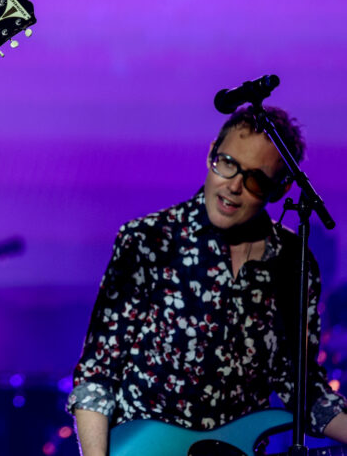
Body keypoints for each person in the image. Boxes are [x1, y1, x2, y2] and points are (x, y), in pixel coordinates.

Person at [68, 105, 347, 455]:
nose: (233, 186)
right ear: (211, 152)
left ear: (281, 188)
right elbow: (97, 376)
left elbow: (303, 388)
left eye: (256, 178)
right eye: (226, 162)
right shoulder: (148, 240)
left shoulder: (295, 261)